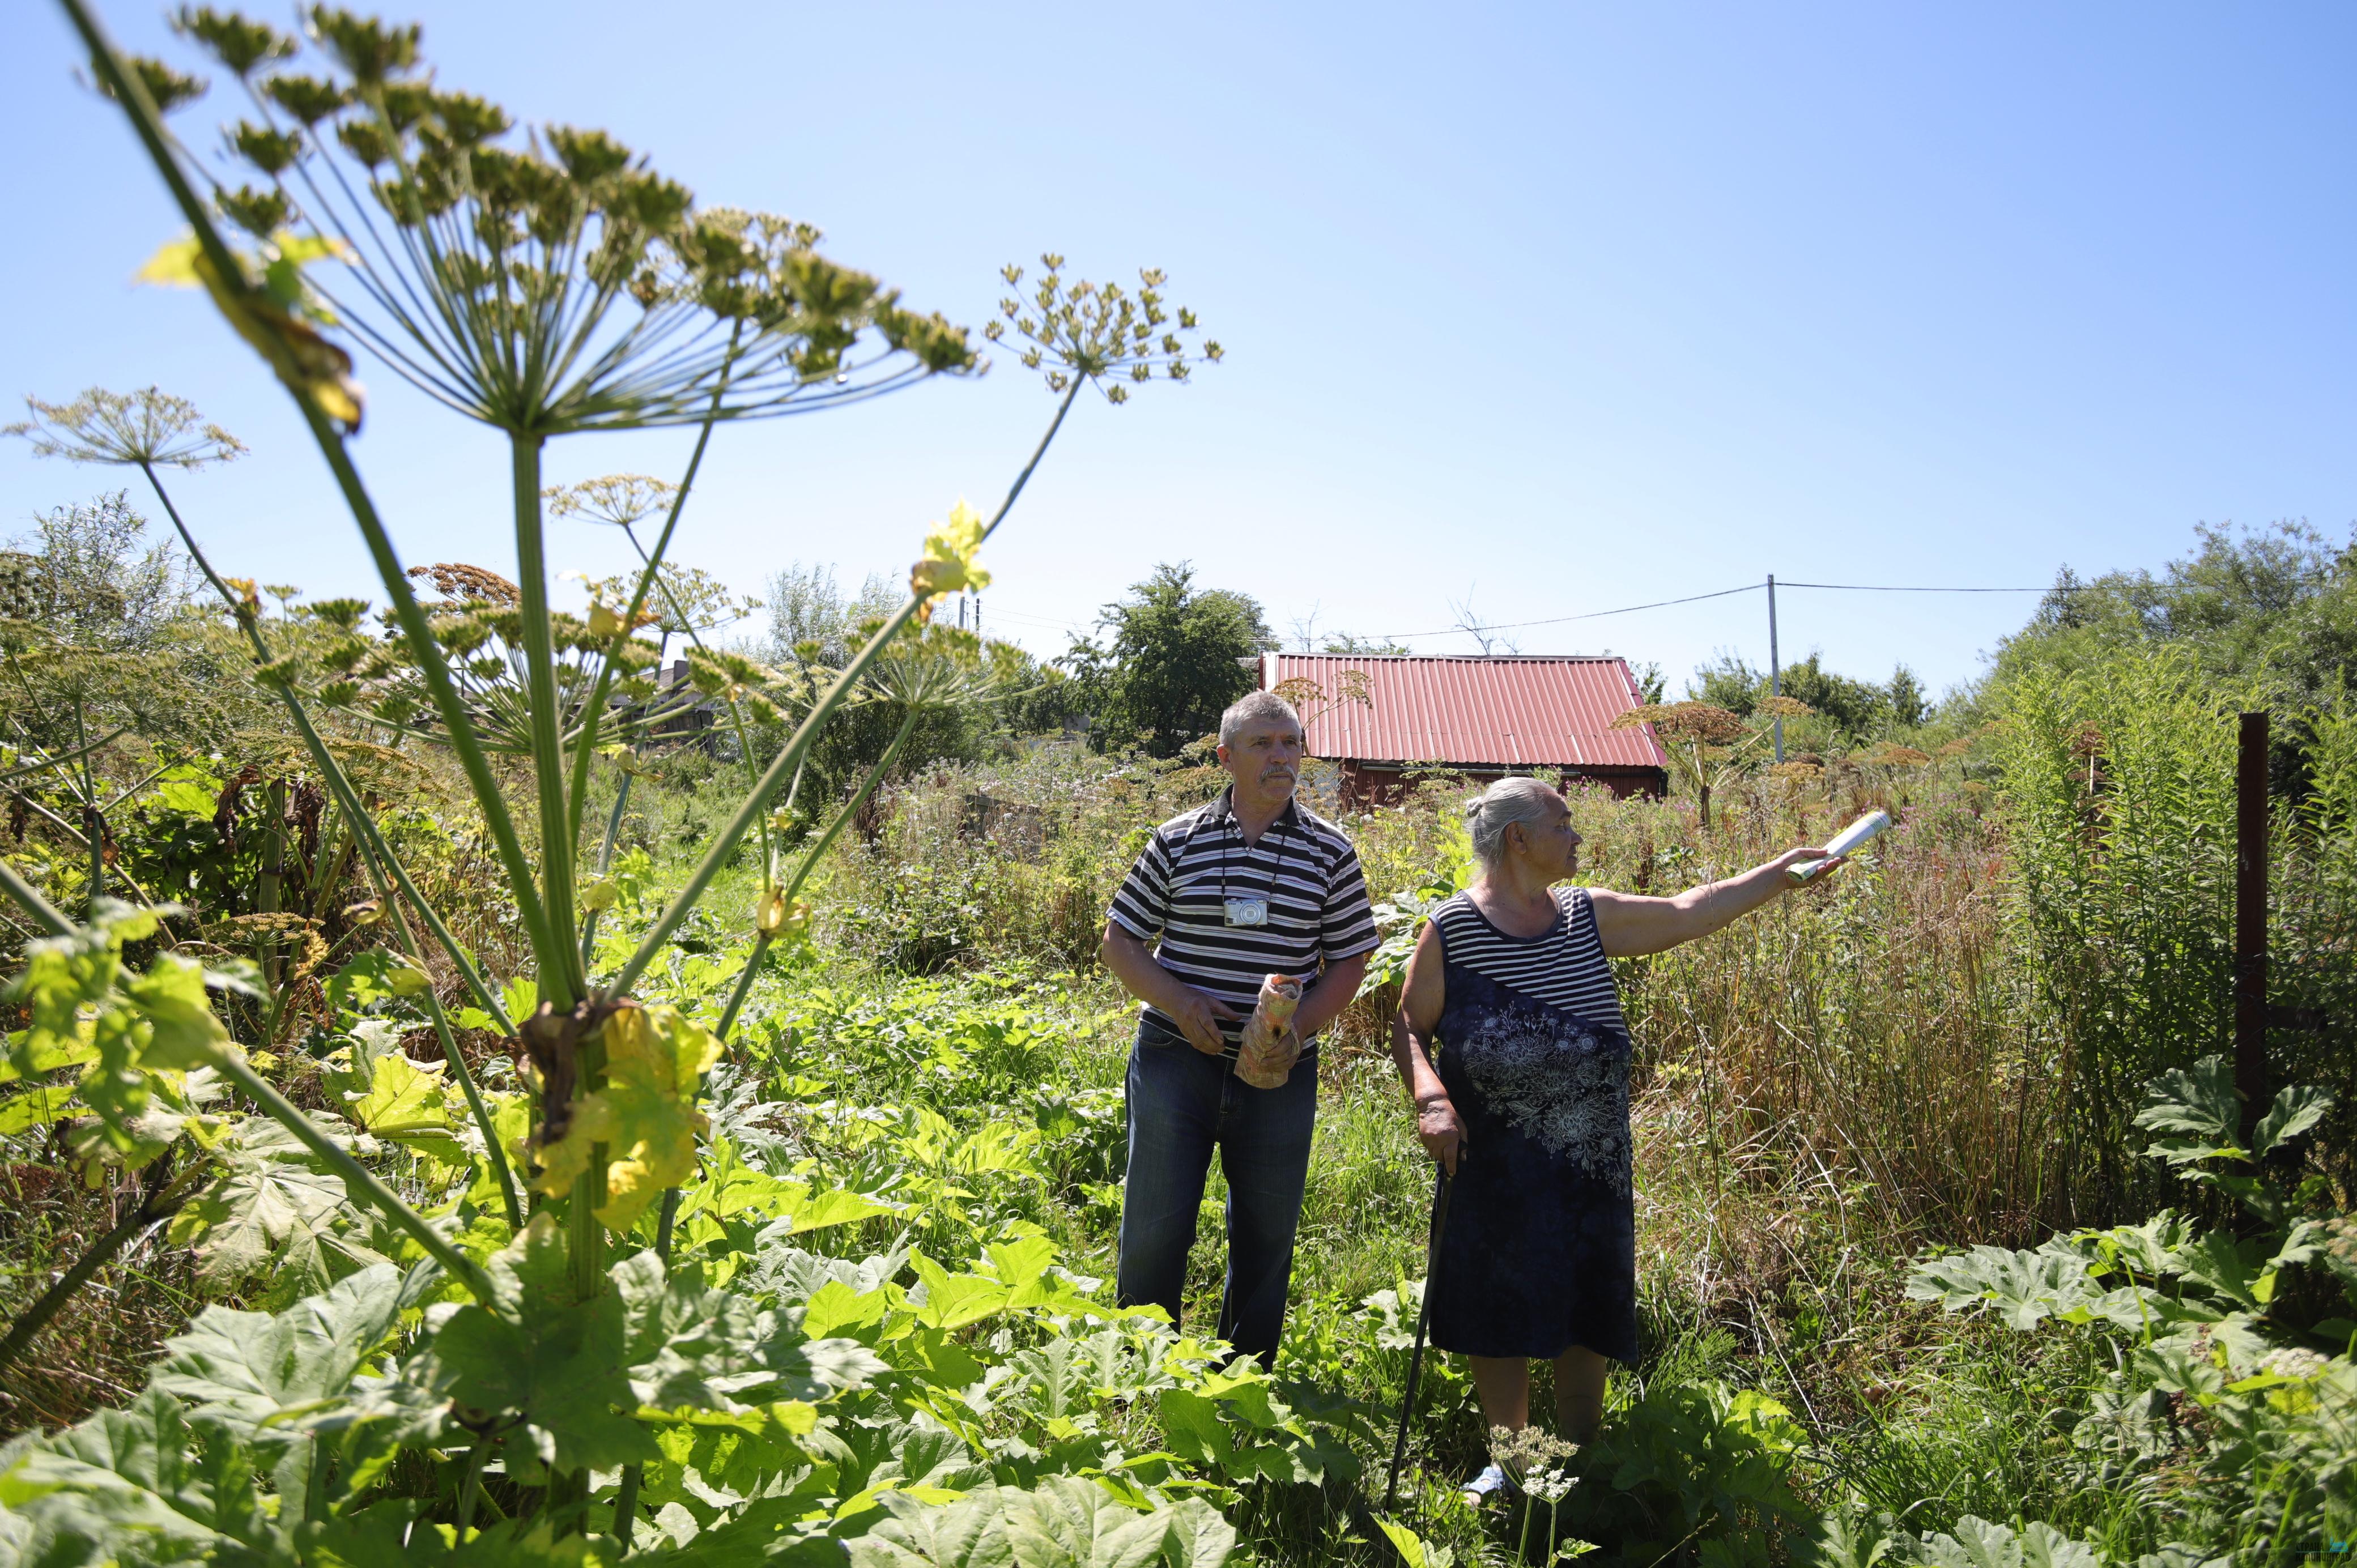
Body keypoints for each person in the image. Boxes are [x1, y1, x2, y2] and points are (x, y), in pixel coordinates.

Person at [1390, 776, 1840, 1491]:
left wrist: (1778, 875)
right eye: (1562, 824)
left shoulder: (1586, 914)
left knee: (1582, 1296)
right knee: (1496, 1305)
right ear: (1519, 839)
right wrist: (1430, 1096)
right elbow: (1410, 1024)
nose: (1576, 837)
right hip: (1491, 1163)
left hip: (1588, 1162)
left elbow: (1692, 908)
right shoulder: (1452, 930)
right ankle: (1514, 1462)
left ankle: (1579, 1453)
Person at [1101, 690, 1379, 1365]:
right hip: (1174, 1057)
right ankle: (1140, 1373)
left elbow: (1350, 956)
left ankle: (1244, 1380)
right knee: (1154, 1226)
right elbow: (1121, 941)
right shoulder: (1177, 839)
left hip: (1278, 1072)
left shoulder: (1330, 852)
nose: (1280, 756)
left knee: (1265, 1231)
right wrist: (1180, 1003)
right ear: (1226, 757)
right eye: (1262, 744)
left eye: (1289, 742)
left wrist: (1298, 1028)